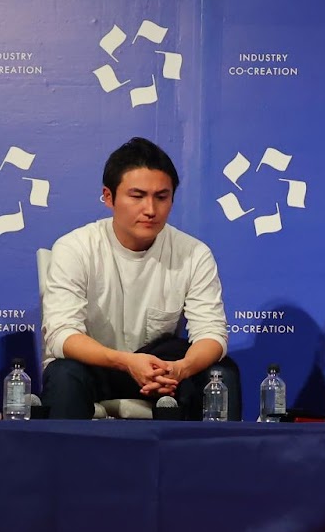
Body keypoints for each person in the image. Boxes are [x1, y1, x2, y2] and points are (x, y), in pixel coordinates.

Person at [41, 137, 235, 421]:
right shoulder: (75, 248)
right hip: (96, 366)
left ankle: (215, 452)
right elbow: (62, 334)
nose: (150, 209)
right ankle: (64, 453)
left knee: (221, 373)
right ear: (109, 197)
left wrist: (180, 369)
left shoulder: (194, 253)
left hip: (162, 371)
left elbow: (211, 333)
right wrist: (126, 362)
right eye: (137, 196)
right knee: (64, 373)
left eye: (161, 197)